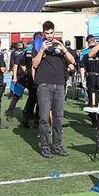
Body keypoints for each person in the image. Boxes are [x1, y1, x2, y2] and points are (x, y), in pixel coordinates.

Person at [32, 21, 75, 158]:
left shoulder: (59, 45)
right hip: (44, 85)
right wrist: (42, 50)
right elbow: (34, 64)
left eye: (52, 33)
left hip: (59, 85)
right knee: (44, 118)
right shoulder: (39, 44)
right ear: (43, 33)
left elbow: (72, 61)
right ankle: (45, 146)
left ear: (54, 32)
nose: (50, 36)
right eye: (47, 33)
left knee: (58, 118)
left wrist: (64, 49)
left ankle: (57, 145)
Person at [21, 33, 43, 129]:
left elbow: (21, 63)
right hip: (39, 75)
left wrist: (27, 71)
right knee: (40, 99)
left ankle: (26, 118)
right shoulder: (40, 49)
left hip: (30, 75)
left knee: (31, 98)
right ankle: (37, 120)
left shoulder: (27, 50)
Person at [79, 35, 99, 128]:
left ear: (87, 42)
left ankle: (94, 119)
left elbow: (82, 67)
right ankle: (98, 119)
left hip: (90, 77)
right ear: (95, 42)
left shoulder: (84, 53)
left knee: (92, 98)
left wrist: (82, 79)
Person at [5, 42, 27, 121]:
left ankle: (28, 114)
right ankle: (10, 113)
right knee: (16, 96)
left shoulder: (25, 52)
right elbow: (13, 64)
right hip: (19, 76)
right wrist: (14, 75)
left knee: (32, 97)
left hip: (25, 75)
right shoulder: (16, 53)